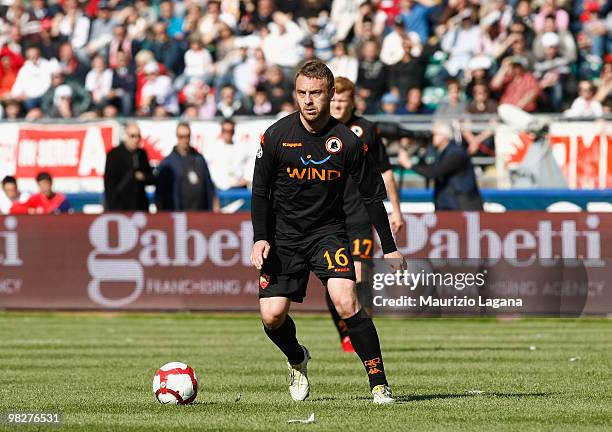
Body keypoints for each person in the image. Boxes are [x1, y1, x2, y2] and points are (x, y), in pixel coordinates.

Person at [251, 60, 404, 404]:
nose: (308, 101)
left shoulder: (348, 141)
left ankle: (379, 383)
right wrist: (260, 237)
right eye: (302, 93)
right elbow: (259, 191)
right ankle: (296, 358)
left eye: (316, 93)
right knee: (272, 316)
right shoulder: (276, 135)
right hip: (283, 237)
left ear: (331, 94)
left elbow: (371, 197)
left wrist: (389, 247)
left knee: (347, 301)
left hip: (327, 233)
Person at [328, 76, 404, 352]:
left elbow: (385, 171)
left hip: (359, 213)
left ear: (352, 101)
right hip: (327, 216)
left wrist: (395, 209)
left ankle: (360, 329)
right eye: (333, 99)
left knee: (359, 273)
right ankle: (344, 331)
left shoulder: (367, 129)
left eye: (342, 100)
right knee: (334, 277)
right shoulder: (320, 128)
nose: (336, 104)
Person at [402, 123, 483, 211]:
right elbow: (427, 167)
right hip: (447, 205)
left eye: (435, 134)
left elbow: (434, 172)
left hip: (462, 206)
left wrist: (409, 164)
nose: (432, 137)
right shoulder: (440, 153)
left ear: (444, 136)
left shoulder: (456, 153)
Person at [155, 122, 220, 211]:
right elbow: (160, 193)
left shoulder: (199, 159)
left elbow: (209, 184)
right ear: (177, 137)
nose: (185, 140)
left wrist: (214, 203)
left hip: (200, 212)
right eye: (181, 136)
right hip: (178, 214)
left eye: (187, 136)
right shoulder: (168, 163)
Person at [103, 123, 154, 211]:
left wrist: (143, 177)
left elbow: (151, 178)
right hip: (120, 206)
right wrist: (114, 207)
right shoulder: (114, 155)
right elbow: (109, 184)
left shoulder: (142, 154)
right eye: (132, 136)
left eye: (138, 136)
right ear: (125, 136)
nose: (136, 139)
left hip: (139, 207)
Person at [203, 118, 252, 191]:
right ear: (221, 131)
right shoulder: (213, 148)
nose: (228, 133)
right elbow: (206, 167)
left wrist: (247, 178)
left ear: (234, 132)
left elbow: (252, 162)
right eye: (225, 131)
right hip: (219, 189)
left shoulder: (241, 147)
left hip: (238, 188)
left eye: (230, 131)